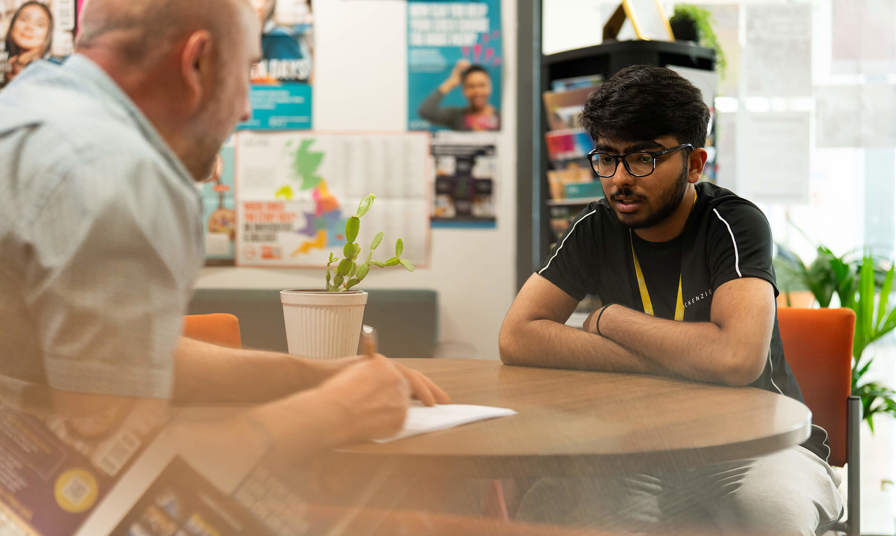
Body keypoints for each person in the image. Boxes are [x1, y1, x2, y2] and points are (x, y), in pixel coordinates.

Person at [0, 0, 449, 460]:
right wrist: (334, 413)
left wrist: (316, 374)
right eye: (247, 72)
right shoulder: (118, 172)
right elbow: (116, 471)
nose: (247, 110)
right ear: (198, 62)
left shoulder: (30, 99)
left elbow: (123, 359)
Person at [499, 65, 842, 534]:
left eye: (644, 157)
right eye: (607, 157)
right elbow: (518, 336)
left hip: (757, 446)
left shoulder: (734, 224)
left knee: (769, 516)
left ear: (695, 163)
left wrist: (612, 320)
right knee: (550, 505)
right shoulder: (596, 227)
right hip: (639, 448)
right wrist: (673, 358)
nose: (620, 179)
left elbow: (737, 358)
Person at [418, 59, 499, 131]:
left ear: (490, 87)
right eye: (471, 86)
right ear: (464, 90)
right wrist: (451, 81)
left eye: (481, 85)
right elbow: (426, 111)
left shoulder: (502, 119)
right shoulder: (456, 116)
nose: (477, 91)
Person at [2, 0, 53, 86]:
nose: (29, 27)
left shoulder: (51, 73)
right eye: (24, 19)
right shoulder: (6, 68)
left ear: (47, 35)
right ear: (12, 25)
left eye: (40, 24)